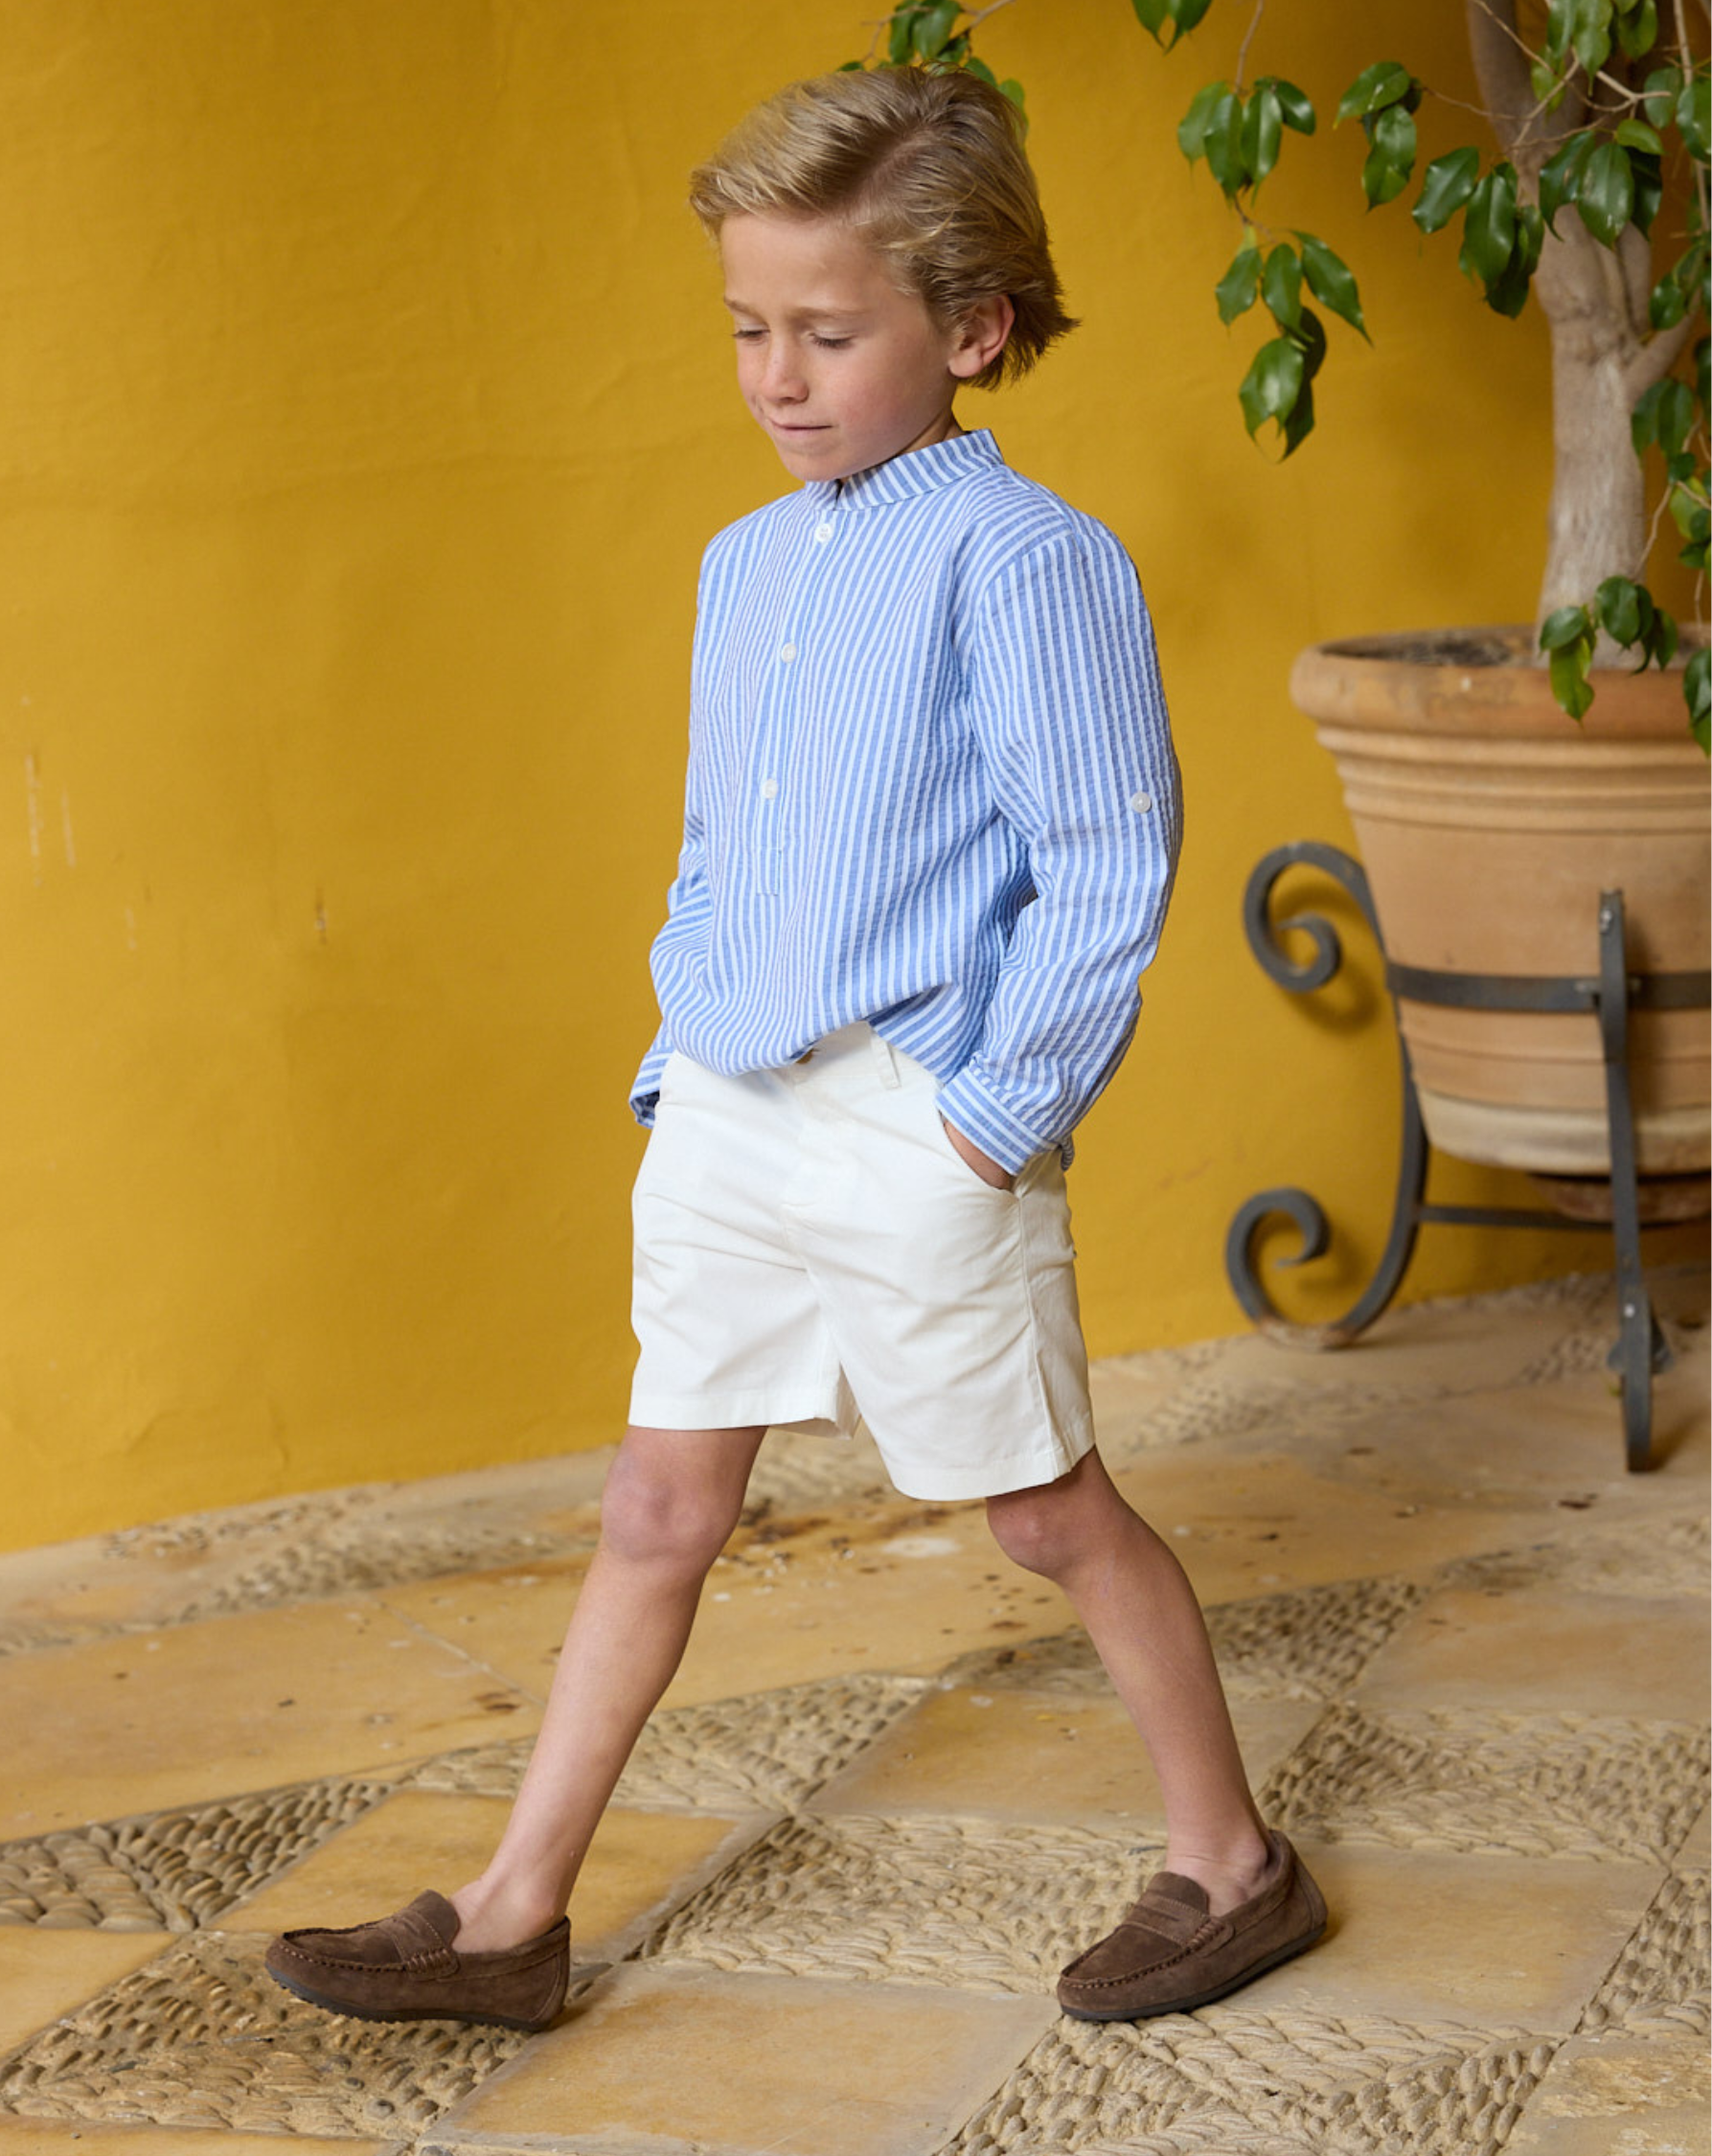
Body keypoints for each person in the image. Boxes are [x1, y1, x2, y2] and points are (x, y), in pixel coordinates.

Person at [264, 62, 1325, 2036]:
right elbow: (714, 844)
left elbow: (1109, 864)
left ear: (974, 328)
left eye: (830, 333)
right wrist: (680, 1057)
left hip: (919, 1113)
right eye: (749, 329)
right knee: (658, 1508)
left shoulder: (1024, 560)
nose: (777, 374)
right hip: (733, 1108)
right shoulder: (744, 565)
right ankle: (513, 1911)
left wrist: (991, 1122)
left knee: (1042, 1508)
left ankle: (1237, 1865)